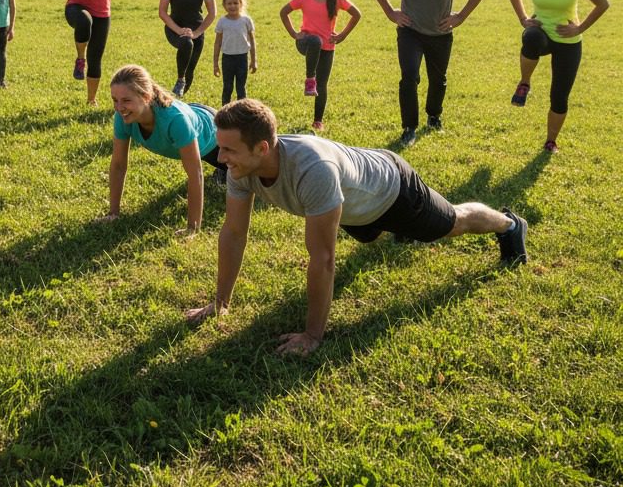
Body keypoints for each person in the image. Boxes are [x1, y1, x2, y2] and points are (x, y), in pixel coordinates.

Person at [184, 98, 528, 355]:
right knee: (365, 233)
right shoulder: (240, 169)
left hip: (394, 190)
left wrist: (313, 336)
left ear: (262, 147)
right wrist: (220, 302)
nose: (220, 157)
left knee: (452, 223)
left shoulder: (311, 170)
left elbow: (323, 259)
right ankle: (382, 231)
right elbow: (233, 232)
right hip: (353, 205)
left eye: (228, 149)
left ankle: (509, 225)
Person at [368, 0, 489, 146]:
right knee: (409, 76)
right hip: (410, 31)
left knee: (438, 80)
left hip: (440, 33)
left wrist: (460, 16)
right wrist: (390, 12)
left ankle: (434, 116)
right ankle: (409, 128)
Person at [508, 0, 610, 153]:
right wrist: (524, 18)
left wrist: (580, 27)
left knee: (560, 95)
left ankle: (550, 141)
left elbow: (603, 3)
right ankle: (525, 83)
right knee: (531, 37)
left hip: (568, 42)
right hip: (541, 33)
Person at [100, 64, 225, 237]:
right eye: (115, 100)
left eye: (126, 100)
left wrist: (192, 229)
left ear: (146, 97)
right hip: (195, 117)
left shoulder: (175, 120)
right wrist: (113, 213)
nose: (119, 107)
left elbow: (195, 174)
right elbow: (118, 165)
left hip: (217, 134)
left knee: (251, 172)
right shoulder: (123, 117)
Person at [280, 0, 361, 132]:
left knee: (322, 85)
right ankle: (310, 78)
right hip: (306, 43)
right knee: (315, 41)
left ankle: (318, 121)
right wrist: (294, 33)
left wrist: (342, 35)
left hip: (327, 47)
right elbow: (284, 12)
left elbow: (356, 14)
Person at [159, 0, 216, 98]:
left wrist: (197, 33)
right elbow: (162, 12)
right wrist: (179, 31)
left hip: (197, 30)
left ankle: (177, 100)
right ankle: (180, 79)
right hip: (174, 28)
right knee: (186, 43)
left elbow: (212, 13)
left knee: (190, 69)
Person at [212, 0, 256, 104]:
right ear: (224, 5)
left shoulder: (246, 20)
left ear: (241, 4)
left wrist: (253, 60)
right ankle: (224, 112)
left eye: (235, 3)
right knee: (227, 87)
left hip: (242, 58)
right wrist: (215, 63)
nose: (232, 6)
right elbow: (217, 43)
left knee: (241, 88)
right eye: (229, 3)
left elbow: (252, 41)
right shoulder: (222, 22)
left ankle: (241, 112)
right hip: (227, 58)